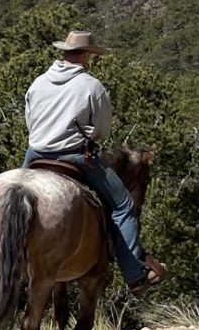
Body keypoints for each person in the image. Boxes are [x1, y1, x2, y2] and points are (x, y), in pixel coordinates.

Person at [23, 30, 166, 293]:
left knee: (18, 198)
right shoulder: (92, 87)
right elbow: (101, 131)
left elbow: (30, 121)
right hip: (75, 156)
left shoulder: (38, 83)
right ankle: (135, 274)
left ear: (64, 52)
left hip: (35, 155)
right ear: (87, 54)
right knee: (123, 206)